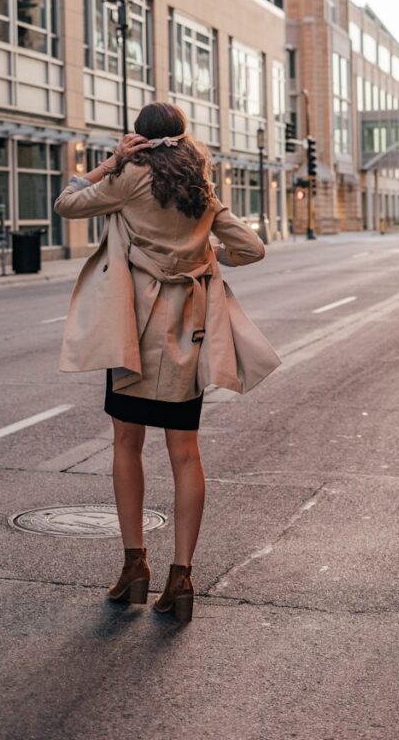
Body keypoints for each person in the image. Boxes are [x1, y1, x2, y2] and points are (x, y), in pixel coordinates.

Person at [54, 102, 280, 622]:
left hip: (133, 332)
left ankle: (135, 566)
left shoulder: (128, 178)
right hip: (188, 332)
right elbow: (250, 248)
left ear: (138, 138)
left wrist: (110, 162)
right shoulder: (199, 188)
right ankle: (183, 577)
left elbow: (68, 202)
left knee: (126, 444)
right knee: (185, 452)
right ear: (182, 139)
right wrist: (206, 259)